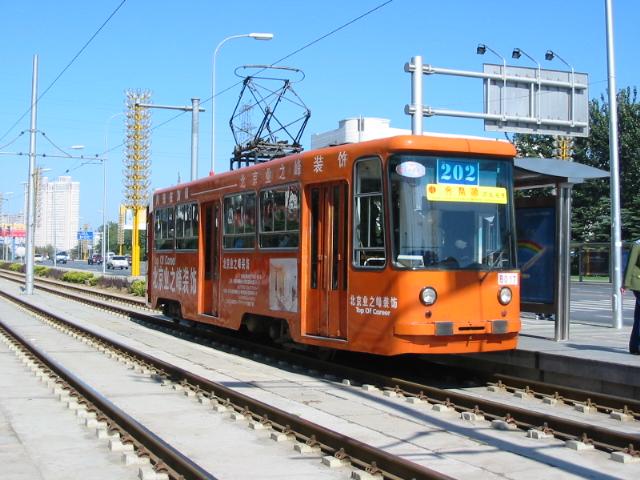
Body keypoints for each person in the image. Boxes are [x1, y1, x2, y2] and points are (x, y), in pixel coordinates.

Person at [622, 239, 640, 354]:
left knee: (638, 316)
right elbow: (630, 264)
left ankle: (635, 346)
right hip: (638, 283)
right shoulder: (637, 244)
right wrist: (626, 283)